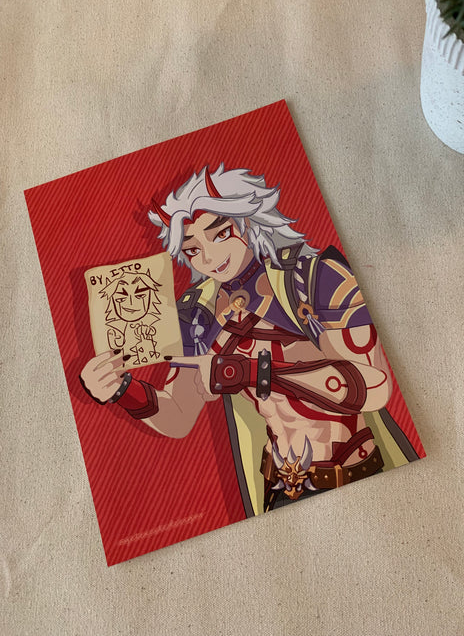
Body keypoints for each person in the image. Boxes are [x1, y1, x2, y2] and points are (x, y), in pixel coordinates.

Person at [80, 165, 394, 511]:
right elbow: (179, 414)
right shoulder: (198, 314)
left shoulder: (315, 279)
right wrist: (121, 389)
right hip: (279, 489)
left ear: (250, 220)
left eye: (220, 234)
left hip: (353, 477)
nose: (209, 257)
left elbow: (376, 387)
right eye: (193, 250)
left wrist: (243, 372)